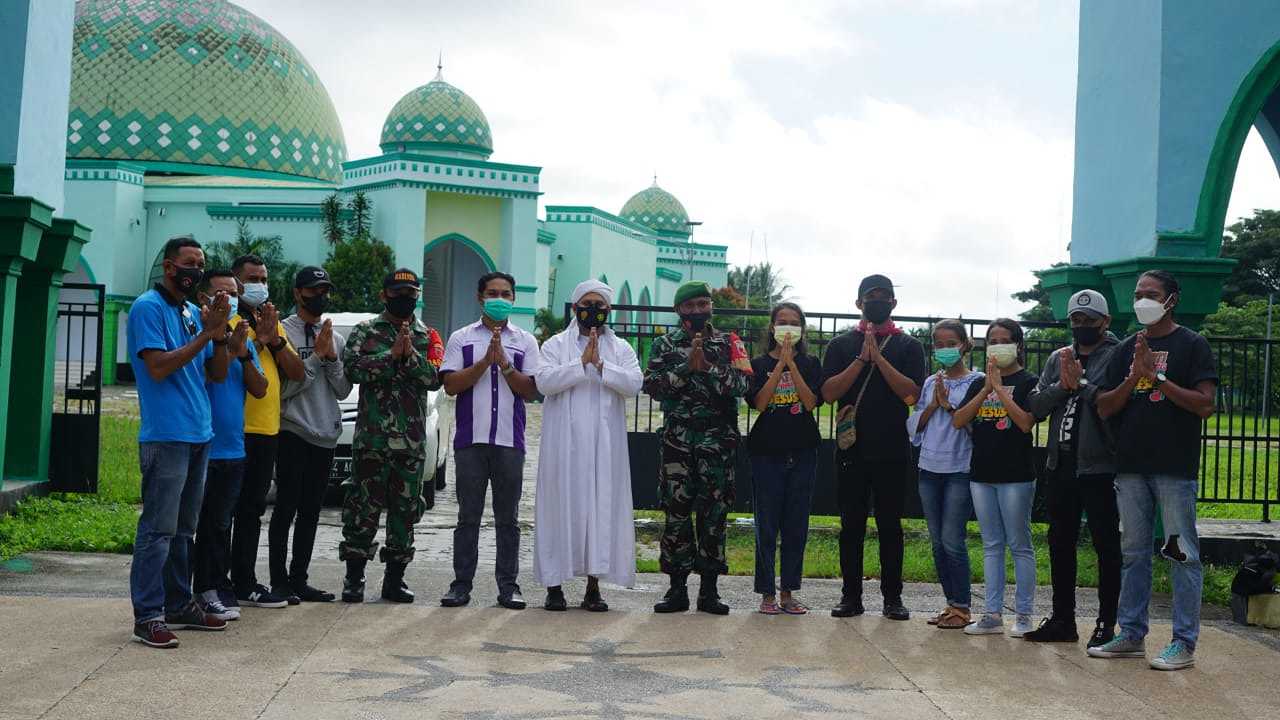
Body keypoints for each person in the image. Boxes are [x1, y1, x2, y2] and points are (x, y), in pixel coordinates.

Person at [1090, 270, 1217, 671]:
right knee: (1134, 553)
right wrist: (1135, 376)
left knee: (1182, 554)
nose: (1142, 299)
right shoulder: (1127, 347)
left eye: (1151, 294)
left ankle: (1184, 642)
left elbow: (1204, 403)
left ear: (1171, 300)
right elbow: (1105, 406)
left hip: (1173, 467)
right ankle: (1130, 633)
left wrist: (1156, 376)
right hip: (1130, 467)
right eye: (1138, 293)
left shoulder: (1192, 344)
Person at [126, 235, 232, 648]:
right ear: (169, 267)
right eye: (189, 263)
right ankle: (147, 614)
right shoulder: (147, 308)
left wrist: (220, 335)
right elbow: (157, 367)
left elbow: (218, 373)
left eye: (200, 263)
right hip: (166, 435)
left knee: (183, 530)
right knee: (158, 530)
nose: (196, 271)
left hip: (198, 434)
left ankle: (177, 603)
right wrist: (206, 335)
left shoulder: (192, 311)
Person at [533, 280, 643, 612]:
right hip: (563, 445)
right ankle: (554, 586)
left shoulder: (621, 348)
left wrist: (601, 365)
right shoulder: (554, 345)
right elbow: (544, 382)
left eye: (599, 305)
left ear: (608, 311)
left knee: (599, 510)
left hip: (604, 446)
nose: (592, 310)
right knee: (559, 507)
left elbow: (634, 383)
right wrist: (580, 362)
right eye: (587, 303)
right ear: (575, 307)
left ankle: (593, 587)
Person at [643, 281, 752, 616]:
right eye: (689, 306)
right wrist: (684, 368)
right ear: (678, 310)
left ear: (711, 307)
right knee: (675, 515)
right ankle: (676, 589)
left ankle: (709, 591)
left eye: (702, 304)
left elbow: (745, 384)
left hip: (717, 443)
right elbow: (653, 387)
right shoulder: (663, 344)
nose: (696, 311)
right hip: (677, 441)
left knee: (714, 516)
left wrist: (708, 367)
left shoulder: (730, 342)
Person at [821, 274, 926, 620]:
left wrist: (879, 359)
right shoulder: (839, 345)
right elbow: (829, 394)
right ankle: (850, 596)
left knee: (890, 526)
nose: (877, 301)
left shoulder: (909, 347)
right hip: (852, 449)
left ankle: (892, 598)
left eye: (884, 296)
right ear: (858, 303)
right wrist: (860, 360)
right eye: (871, 296)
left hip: (892, 448)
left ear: (894, 304)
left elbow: (911, 395)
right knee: (851, 525)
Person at [339, 268, 444, 603]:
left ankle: (394, 580)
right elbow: (353, 368)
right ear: (384, 295)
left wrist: (409, 357)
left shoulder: (428, 335)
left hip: (410, 442)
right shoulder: (366, 331)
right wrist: (390, 356)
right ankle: (354, 578)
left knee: (406, 511)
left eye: (411, 294)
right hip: (372, 440)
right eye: (398, 294)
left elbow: (435, 378)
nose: (405, 299)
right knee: (361, 509)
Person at [1025, 290, 1122, 648]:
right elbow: (1035, 404)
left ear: (1105, 322)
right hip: (1060, 463)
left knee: (1106, 545)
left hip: (1100, 467)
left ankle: (1106, 622)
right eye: (1076, 321)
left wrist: (1080, 385)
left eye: (1089, 320)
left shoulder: (1117, 356)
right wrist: (1061, 385)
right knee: (1059, 543)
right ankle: (1063, 619)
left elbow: (1113, 404)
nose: (1082, 326)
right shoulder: (1058, 357)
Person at [439, 272, 541, 610]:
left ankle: (508, 586)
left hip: (509, 442)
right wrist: (485, 362)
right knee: (468, 517)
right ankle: (461, 584)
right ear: (480, 297)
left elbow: (532, 391)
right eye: (493, 293)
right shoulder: (462, 338)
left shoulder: (525, 340)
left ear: (514, 299)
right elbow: (451, 385)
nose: (500, 298)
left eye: (506, 293)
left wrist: (506, 367)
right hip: (471, 440)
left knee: (508, 520)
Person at [953, 319, 1039, 637]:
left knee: (1019, 544)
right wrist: (987, 389)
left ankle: (1025, 614)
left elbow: (1026, 422)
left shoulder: (1029, 381)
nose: (998, 344)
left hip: (1016, 475)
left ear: (1017, 344)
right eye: (993, 339)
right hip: (982, 474)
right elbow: (959, 420)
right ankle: (991, 613)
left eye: (1005, 339)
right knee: (991, 544)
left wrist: (1001, 391)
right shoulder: (979, 383)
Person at [228, 254, 304, 609]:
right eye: (252, 278)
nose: (260, 284)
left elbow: (296, 370)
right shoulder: (226, 319)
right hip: (234, 428)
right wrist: (258, 340)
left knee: (252, 509)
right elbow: (228, 363)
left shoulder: (272, 321)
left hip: (267, 429)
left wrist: (273, 339)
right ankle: (214, 581)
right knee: (222, 510)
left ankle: (244, 581)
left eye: (264, 278)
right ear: (236, 281)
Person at [272, 266, 353, 603]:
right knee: (285, 508)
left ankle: (299, 578)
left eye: (326, 290)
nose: (321, 296)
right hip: (292, 430)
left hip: (324, 435)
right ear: (297, 293)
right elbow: (285, 388)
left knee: (310, 512)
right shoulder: (282, 332)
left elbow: (343, 389)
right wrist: (316, 359)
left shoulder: (333, 335)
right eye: (313, 289)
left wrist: (330, 357)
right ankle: (279, 582)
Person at [192, 270, 267, 623]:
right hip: (203, 446)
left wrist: (244, 354)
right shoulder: (199, 333)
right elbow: (214, 375)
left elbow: (260, 388)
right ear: (204, 298)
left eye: (233, 293)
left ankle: (217, 587)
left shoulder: (243, 336)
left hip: (233, 449)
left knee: (221, 525)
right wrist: (222, 342)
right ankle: (195, 590)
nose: (230, 299)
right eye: (222, 293)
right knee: (196, 525)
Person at [907, 319, 982, 630]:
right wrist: (934, 404)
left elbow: (972, 427)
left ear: (964, 344)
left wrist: (948, 405)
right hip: (929, 468)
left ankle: (962, 606)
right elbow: (917, 427)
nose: (945, 349)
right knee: (937, 542)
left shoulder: (976, 382)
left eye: (951, 343)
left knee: (953, 540)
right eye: (938, 344)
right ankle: (950, 604)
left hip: (958, 471)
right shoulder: (930, 381)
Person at [747, 303, 822, 615]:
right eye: (782, 322)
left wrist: (793, 365)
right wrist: (780, 366)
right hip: (766, 452)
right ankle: (767, 593)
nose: (787, 328)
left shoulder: (811, 362)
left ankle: (788, 592)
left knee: (795, 525)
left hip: (802, 450)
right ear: (772, 328)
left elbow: (810, 403)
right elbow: (760, 404)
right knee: (766, 524)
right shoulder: (758, 363)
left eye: (793, 323)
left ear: (802, 329)